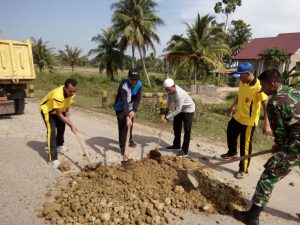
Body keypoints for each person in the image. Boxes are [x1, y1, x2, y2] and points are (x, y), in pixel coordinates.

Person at [233, 69, 300, 225]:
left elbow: (281, 134)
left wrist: (280, 146)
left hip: (296, 145)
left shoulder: (275, 102)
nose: (262, 89)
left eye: (263, 85)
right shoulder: (295, 90)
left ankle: (252, 217)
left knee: (268, 177)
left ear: (271, 84)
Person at [220, 62, 272, 179]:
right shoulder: (244, 82)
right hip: (239, 116)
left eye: (240, 76)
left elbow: (265, 104)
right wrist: (232, 106)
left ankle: (243, 169)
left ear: (248, 74)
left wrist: (267, 123)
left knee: (245, 146)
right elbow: (240, 95)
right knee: (230, 130)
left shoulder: (259, 87)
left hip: (249, 121)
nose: (239, 79)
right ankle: (232, 152)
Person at [40, 78, 78, 168]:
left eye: (74, 91)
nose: (73, 93)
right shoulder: (58, 95)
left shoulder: (72, 91)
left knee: (62, 126)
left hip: (60, 109)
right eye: (70, 91)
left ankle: (59, 145)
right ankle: (53, 159)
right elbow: (59, 114)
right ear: (65, 88)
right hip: (48, 111)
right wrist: (71, 125)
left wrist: (68, 112)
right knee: (52, 132)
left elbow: (68, 101)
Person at [161, 78, 195, 157]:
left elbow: (178, 110)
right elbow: (169, 98)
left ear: (173, 86)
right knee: (176, 127)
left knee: (187, 130)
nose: (168, 92)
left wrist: (167, 118)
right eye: (166, 90)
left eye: (169, 90)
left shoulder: (180, 94)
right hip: (179, 109)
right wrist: (167, 108)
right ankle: (176, 145)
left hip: (188, 110)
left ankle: (184, 151)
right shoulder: (170, 91)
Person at [114, 69, 142, 155]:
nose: (134, 81)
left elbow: (137, 98)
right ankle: (123, 147)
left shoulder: (139, 84)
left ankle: (129, 140)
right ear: (128, 78)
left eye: (136, 79)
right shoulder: (124, 87)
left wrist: (134, 110)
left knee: (130, 124)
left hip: (130, 107)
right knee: (123, 127)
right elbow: (124, 102)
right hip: (120, 107)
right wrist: (126, 116)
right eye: (132, 79)